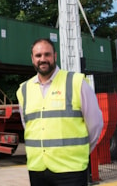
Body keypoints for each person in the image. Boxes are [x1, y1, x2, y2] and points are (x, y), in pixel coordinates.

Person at [16, 38, 103, 186]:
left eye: (47, 54)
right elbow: (29, 126)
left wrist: (80, 152)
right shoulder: (24, 89)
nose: (43, 59)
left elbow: (95, 124)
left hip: (71, 171)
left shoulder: (76, 82)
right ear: (32, 58)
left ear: (55, 56)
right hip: (37, 169)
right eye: (38, 56)